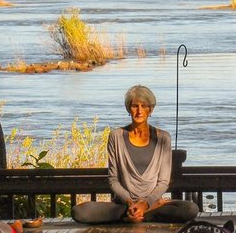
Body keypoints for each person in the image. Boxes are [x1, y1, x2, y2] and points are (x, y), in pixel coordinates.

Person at [71, 85, 199, 224]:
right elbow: (113, 179)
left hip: (151, 203)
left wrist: (145, 204)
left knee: (191, 209)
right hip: (124, 205)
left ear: (151, 109)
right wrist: (131, 203)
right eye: (135, 106)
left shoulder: (163, 138)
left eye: (144, 106)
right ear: (128, 108)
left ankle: (140, 215)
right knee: (79, 212)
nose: (139, 111)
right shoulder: (116, 136)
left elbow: (163, 182)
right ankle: (137, 214)